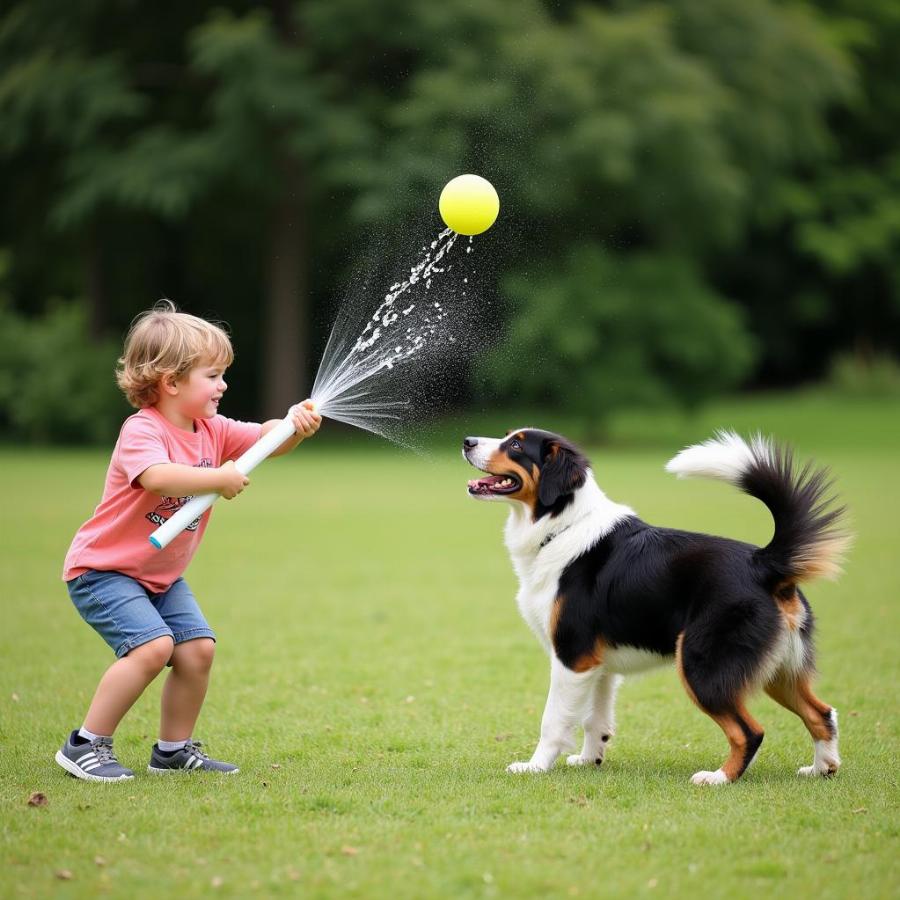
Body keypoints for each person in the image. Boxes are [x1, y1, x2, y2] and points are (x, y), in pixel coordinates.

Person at [56, 300, 320, 781]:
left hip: (160, 576)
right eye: (213, 375)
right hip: (105, 571)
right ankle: (85, 744)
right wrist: (218, 479)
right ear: (171, 382)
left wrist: (292, 428)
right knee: (153, 648)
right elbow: (157, 477)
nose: (223, 385)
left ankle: (172, 751)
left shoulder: (211, 429)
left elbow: (266, 440)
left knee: (197, 650)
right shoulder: (142, 430)